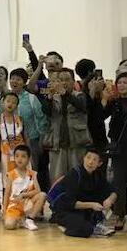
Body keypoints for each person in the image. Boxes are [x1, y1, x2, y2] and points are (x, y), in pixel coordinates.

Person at [48, 148, 117, 238]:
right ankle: (66, 226)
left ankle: (93, 225)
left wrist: (110, 200)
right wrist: (92, 205)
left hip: (82, 209)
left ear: (99, 164)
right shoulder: (74, 174)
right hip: (65, 210)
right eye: (88, 157)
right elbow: (70, 203)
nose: (90, 162)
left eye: (94, 160)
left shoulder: (98, 175)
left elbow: (113, 191)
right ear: (83, 158)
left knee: (101, 198)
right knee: (86, 228)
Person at [5, 68, 49, 190]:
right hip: (10, 143)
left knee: (31, 170)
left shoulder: (31, 98)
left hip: (31, 141)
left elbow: (41, 118)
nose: (14, 81)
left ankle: (33, 195)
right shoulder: (5, 98)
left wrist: (42, 138)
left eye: (18, 79)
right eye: (12, 79)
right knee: (13, 171)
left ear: (24, 82)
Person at [45, 68, 91, 183]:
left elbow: (81, 106)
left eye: (67, 79)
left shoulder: (80, 95)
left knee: (77, 176)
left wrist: (65, 94)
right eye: (61, 80)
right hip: (57, 142)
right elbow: (46, 112)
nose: (64, 83)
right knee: (57, 178)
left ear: (73, 81)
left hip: (76, 142)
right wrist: (49, 98)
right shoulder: (54, 97)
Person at [102, 72, 127, 231]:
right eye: (120, 82)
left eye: (125, 82)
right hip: (119, 148)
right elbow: (101, 115)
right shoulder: (115, 102)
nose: (122, 85)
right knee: (119, 182)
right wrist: (104, 99)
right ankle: (119, 214)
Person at [3, 145, 46, 231]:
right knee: (9, 225)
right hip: (14, 205)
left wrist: (24, 195)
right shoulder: (11, 174)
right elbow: (7, 194)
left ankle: (29, 219)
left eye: (23, 156)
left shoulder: (33, 174)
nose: (20, 159)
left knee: (42, 195)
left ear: (28, 159)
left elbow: (38, 190)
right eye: (17, 156)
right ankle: (21, 219)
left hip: (27, 203)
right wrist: (4, 212)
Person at [0, 92, 27, 178]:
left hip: (20, 152)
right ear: (3, 102)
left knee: (21, 178)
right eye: (8, 101)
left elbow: (26, 137)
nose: (10, 104)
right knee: (7, 178)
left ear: (17, 106)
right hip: (5, 152)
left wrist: (29, 153)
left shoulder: (20, 119)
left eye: (14, 102)